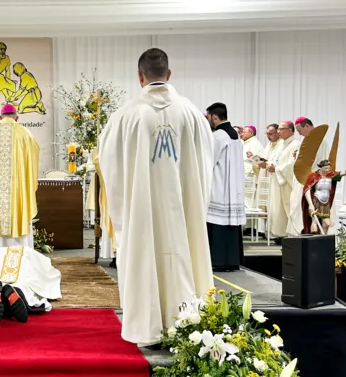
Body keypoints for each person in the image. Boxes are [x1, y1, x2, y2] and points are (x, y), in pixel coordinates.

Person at [98, 48, 214, 348]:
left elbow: (109, 165)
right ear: (169, 73)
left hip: (143, 214)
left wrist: (125, 212)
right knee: (185, 252)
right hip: (183, 215)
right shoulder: (192, 114)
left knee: (143, 254)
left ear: (140, 77)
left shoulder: (124, 116)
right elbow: (205, 164)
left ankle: (146, 330)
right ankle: (188, 324)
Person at [0, 104, 39, 254]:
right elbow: (33, 159)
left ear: (0, 117)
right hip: (18, 192)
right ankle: (19, 254)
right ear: (17, 117)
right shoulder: (25, 134)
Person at [0, 246, 62, 323]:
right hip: (25, 263)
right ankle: (17, 293)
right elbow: (49, 273)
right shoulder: (31, 253)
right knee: (24, 285)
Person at [205, 103, 246, 271]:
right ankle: (232, 261)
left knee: (217, 222)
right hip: (234, 185)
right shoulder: (235, 134)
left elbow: (208, 161)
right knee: (230, 224)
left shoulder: (218, 137)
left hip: (220, 185)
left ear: (215, 117)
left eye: (208, 117)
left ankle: (219, 261)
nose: (208, 121)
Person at [287, 117, 329, 236]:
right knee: (295, 205)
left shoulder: (319, 140)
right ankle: (296, 235)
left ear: (307, 126)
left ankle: (307, 232)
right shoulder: (305, 139)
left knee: (305, 208)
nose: (299, 133)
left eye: (300, 130)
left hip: (312, 179)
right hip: (302, 178)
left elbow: (317, 161)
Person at [265, 121, 300, 240]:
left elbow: (292, 164)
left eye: (281, 129)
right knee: (278, 208)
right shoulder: (283, 144)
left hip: (287, 182)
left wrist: (277, 168)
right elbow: (277, 159)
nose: (278, 132)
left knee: (288, 207)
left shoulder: (295, 144)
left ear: (290, 130)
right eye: (278, 129)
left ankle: (291, 235)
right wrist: (271, 165)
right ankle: (281, 234)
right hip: (279, 180)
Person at [302, 156, 346, 234]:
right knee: (314, 223)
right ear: (321, 167)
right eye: (326, 168)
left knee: (326, 224)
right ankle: (313, 240)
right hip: (316, 201)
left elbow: (345, 172)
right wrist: (310, 204)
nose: (328, 170)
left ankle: (323, 239)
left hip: (326, 202)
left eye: (329, 168)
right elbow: (307, 190)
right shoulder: (313, 176)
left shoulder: (331, 175)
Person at [253, 124, 282, 235]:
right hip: (265, 177)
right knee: (263, 204)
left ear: (277, 133)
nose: (268, 136)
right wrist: (257, 161)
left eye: (270, 133)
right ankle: (263, 230)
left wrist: (268, 164)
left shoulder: (281, 145)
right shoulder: (269, 145)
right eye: (267, 134)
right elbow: (265, 158)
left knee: (273, 206)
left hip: (274, 180)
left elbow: (278, 162)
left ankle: (273, 232)